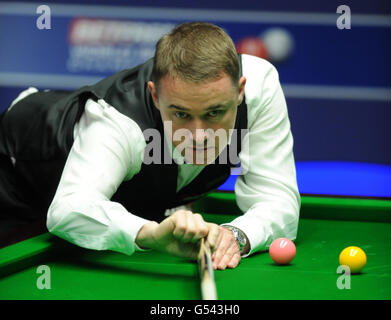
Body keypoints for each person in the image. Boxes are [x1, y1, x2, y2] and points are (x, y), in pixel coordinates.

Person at [0, 22, 300, 270]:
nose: (199, 136)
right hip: (16, 170)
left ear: (239, 90)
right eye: (181, 113)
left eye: (214, 113)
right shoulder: (117, 123)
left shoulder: (260, 90)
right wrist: (153, 234)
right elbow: (68, 209)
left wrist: (235, 235)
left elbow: (277, 198)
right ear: (155, 97)